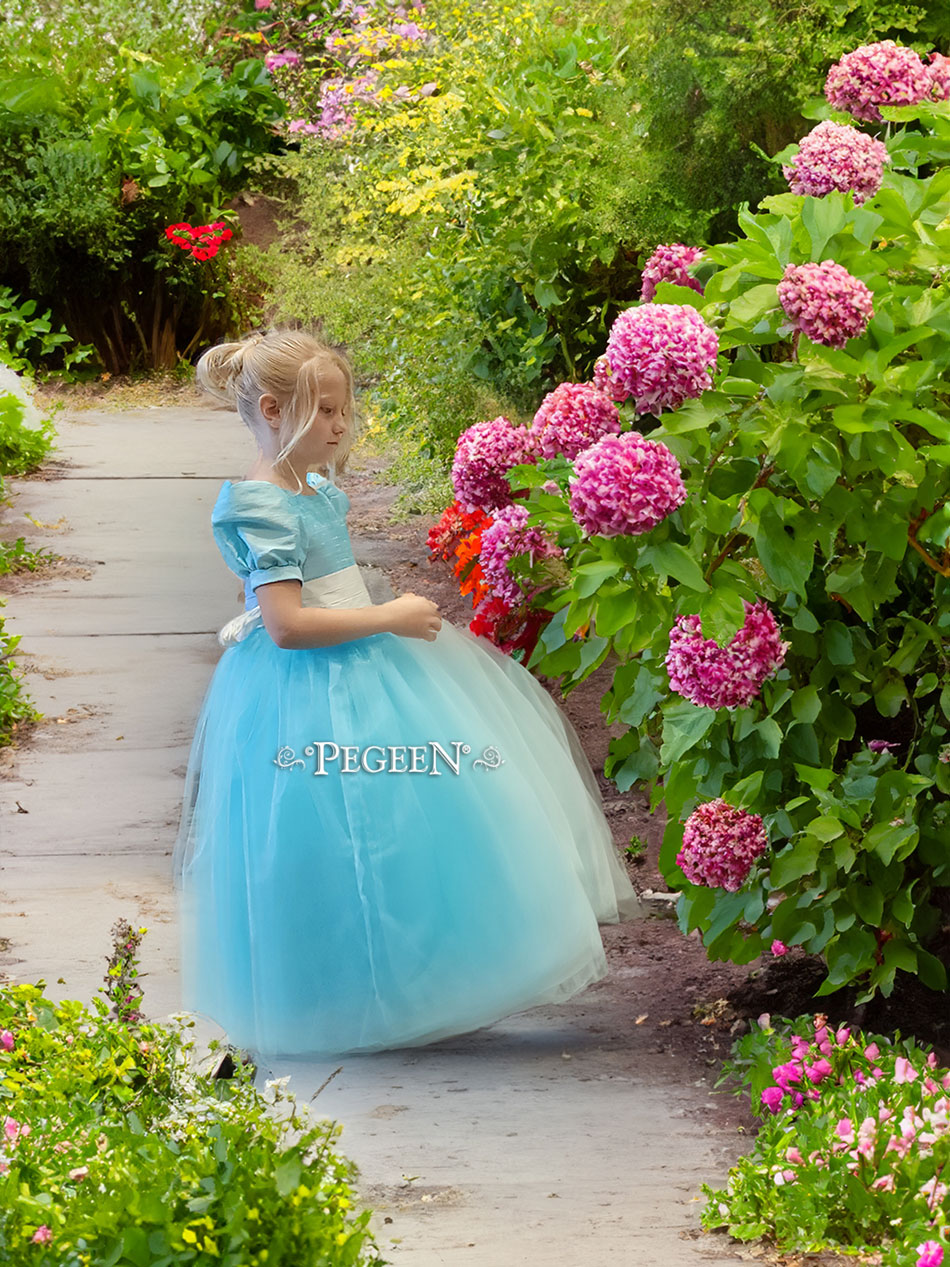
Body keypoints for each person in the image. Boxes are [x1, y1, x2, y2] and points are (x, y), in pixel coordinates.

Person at [172, 327, 641, 1060]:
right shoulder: (258, 505)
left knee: (405, 828)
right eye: (324, 411)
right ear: (271, 409)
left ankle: (412, 984)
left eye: (342, 409)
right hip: (306, 689)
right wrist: (386, 616)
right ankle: (344, 994)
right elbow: (289, 623)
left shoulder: (311, 489)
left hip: (364, 669)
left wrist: (376, 596)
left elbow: (322, 580)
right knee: (330, 830)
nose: (340, 425)